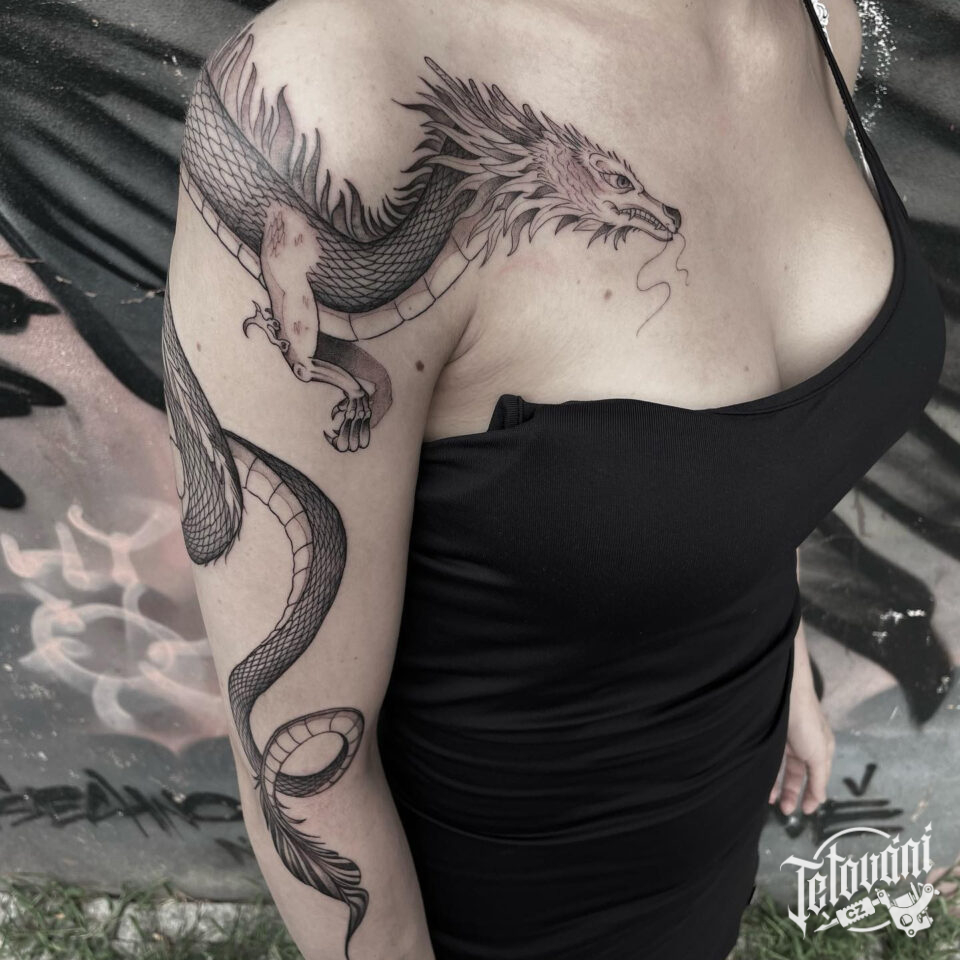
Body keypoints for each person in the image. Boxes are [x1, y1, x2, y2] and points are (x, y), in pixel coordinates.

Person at [160, 0, 946, 956]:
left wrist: (786, 671)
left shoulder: (816, 15)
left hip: (719, 802)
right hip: (513, 907)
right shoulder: (338, 103)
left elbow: (746, 449)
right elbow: (306, 775)